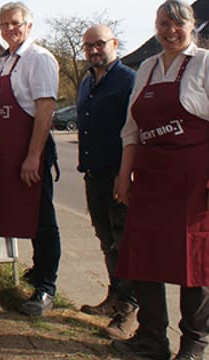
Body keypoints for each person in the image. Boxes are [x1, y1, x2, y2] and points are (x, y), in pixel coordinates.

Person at [113, 0, 209, 360]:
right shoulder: (148, 68)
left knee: (197, 265)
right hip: (152, 182)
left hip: (197, 182)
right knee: (145, 258)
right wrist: (124, 176)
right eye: (163, 24)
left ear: (192, 25)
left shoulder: (208, 64)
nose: (170, 31)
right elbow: (131, 130)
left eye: (177, 24)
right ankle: (152, 339)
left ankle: (193, 347)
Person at [0, 1, 60, 317]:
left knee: (42, 220)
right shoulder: (5, 62)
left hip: (31, 152)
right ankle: (36, 270)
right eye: (4, 25)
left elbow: (45, 109)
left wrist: (34, 156)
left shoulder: (38, 58)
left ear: (29, 25)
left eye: (15, 23)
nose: (9, 30)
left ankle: (46, 287)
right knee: (21, 217)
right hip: (7, 153)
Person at [76, 24, 137, 339]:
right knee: (106, 241)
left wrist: (126, 174)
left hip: (118, 176)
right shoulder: (87, 82)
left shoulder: (128, 80)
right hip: (93, 175)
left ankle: (128, 311)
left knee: (124, 243)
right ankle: (114, 297)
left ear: (114, 43)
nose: (94, 50)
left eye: (99, 44)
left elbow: (135, 129)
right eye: (88, 46)